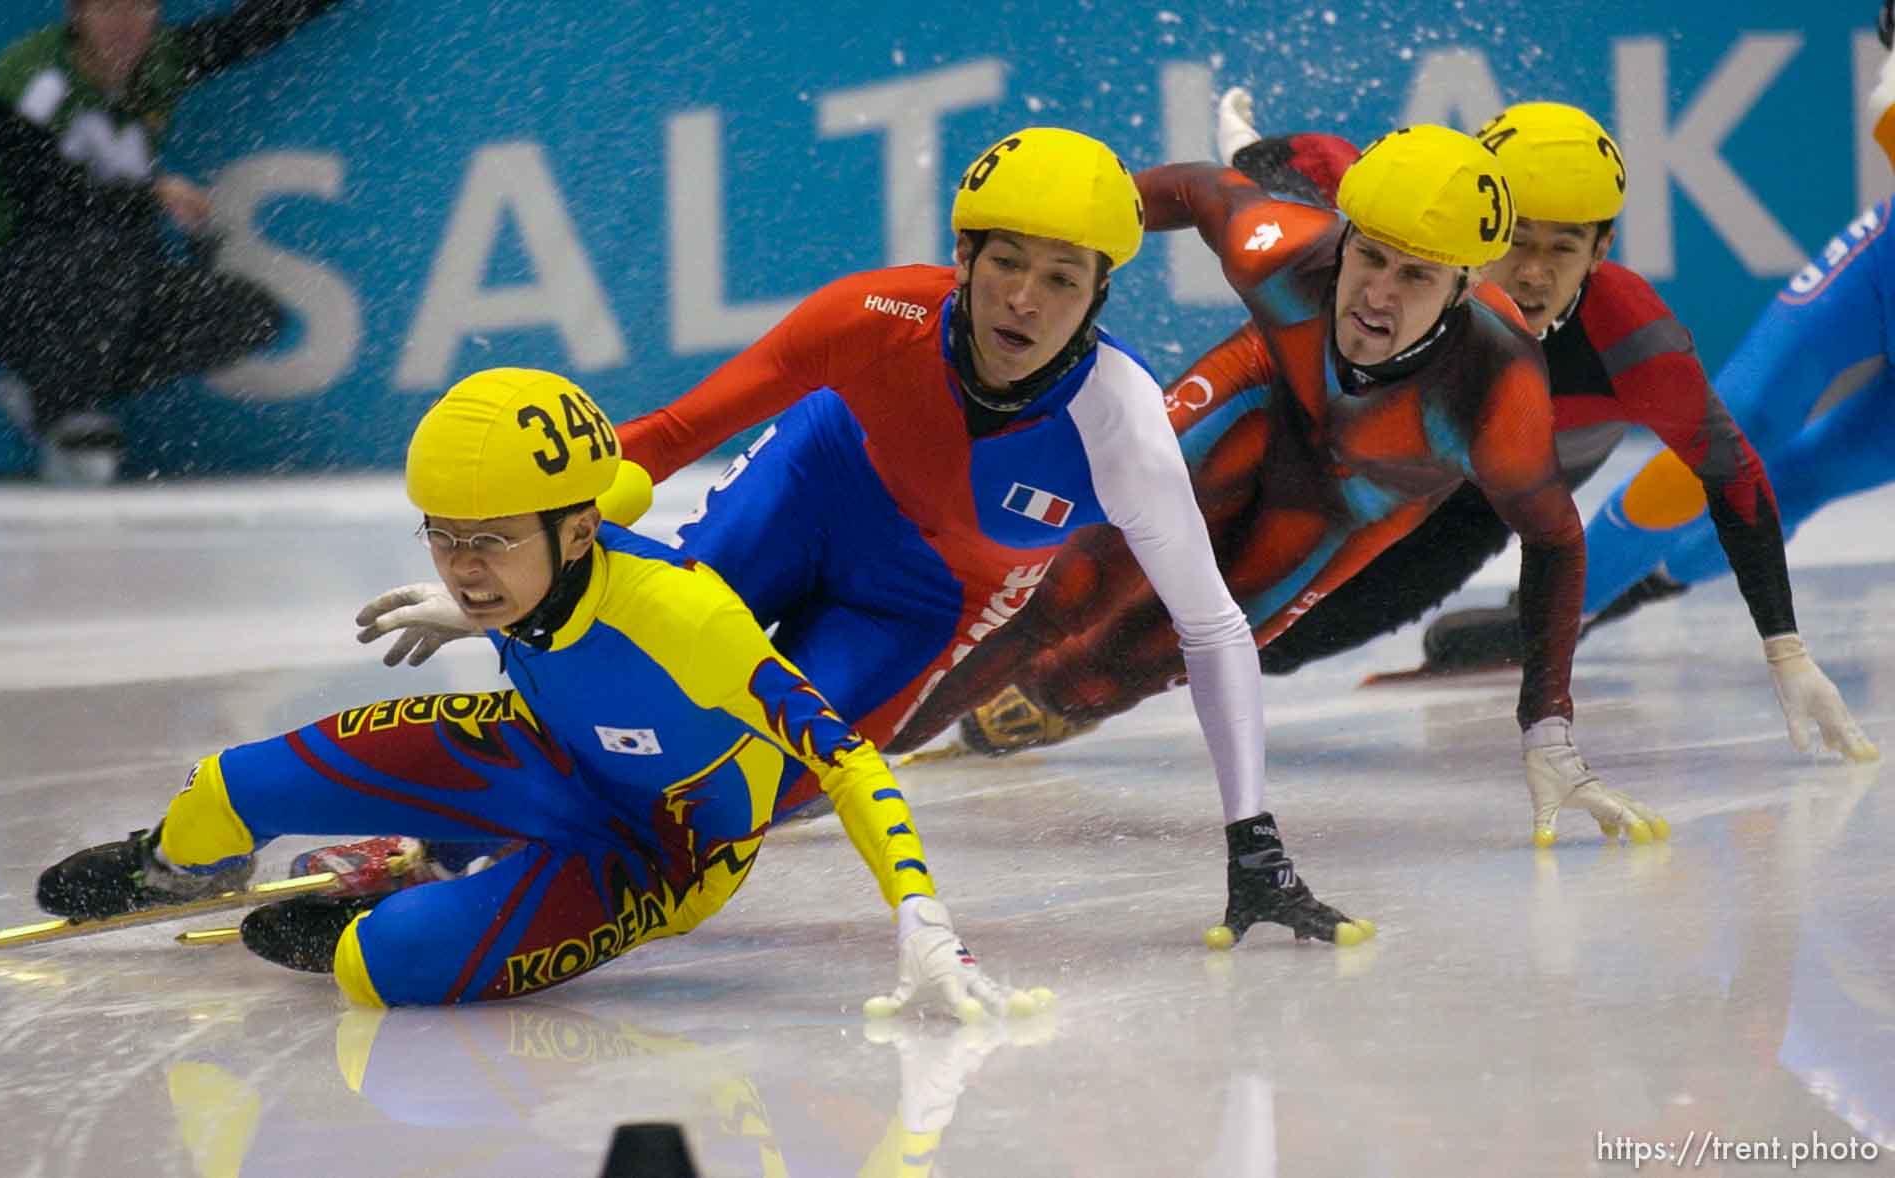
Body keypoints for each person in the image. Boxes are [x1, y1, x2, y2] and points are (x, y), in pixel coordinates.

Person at [366, 128, 1371, 947]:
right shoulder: (870, 313)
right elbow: (666, 438)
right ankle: (427, 836)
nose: (1023, 298)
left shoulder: (1121, 423)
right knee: (632, 659)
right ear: (962, 259)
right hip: (815, 488)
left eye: (1060, 279)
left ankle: (537, 864)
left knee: (765, 771)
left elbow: (1210, 626)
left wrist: (1252, 838)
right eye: (1004, 262)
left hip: (918, 598)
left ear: (1097, 296)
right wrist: (525, 571)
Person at [32, 368, 1012, 1014]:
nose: (461, 569)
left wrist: (919, 913)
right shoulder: (547, 546)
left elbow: (845, 758)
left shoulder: (687, 620)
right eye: (443, 535)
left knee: (376, 970)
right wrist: (488, 597)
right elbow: (612, 492)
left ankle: (420, 878)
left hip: (659, 849)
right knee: (220, 790)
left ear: (574, 534)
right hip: (541, 752)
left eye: (489, 539)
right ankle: (181, 864)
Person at [885, 123, 1670, 849]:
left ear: (1463, 288)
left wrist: (1547, 724)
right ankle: (863, 746)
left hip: (1347, 506)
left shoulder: (1497, 390)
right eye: (1368, 258)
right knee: (1063, 589)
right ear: (1344, 240)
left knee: (1131, 664)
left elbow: (1557, 541)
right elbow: (1196, 189)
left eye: (1415, 276)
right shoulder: (1283, 250)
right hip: (1259, 394)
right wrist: (1074, 225)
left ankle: (1035, 709)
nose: (1377, 295)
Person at [1180, 96, 1875, 764]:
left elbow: (1732, 477)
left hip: (1476, 499)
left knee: (1280, 642)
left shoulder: (1634, 343)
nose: (1534, 275)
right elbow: (1322, 172)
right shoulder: (1417, 238)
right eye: (1515, 241)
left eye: (1562, 248)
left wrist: (1785, 646)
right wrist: (1246, 153)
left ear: (1601, 249)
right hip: (1362, 441)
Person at [1563, 6, 1895, 755]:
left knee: (1803, 479)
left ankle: (1657, 581)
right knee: (1733, 426)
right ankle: (1560, 599)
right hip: (1884, 273)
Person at [0, 0, 346, 484]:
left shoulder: (162, 60)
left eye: (141, 9)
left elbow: (252, 28)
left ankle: (52, 392)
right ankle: (63, 406)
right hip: (7, 287)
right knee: (115, 245)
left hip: (116, 283)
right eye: (110, 10)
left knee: (244, 315)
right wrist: (151, 194)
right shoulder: (26, 81)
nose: (126, 26)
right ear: (77, 12)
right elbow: (46, 196)